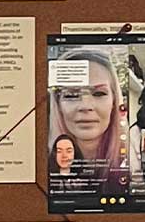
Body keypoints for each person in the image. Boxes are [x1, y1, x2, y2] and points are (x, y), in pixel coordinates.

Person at [48, 48, 129, 195]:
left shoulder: (134, 163)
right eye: (71, 95)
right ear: (58, 104)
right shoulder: (42, 169)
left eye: (99, 93)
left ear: (114, 101)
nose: (85, 106)